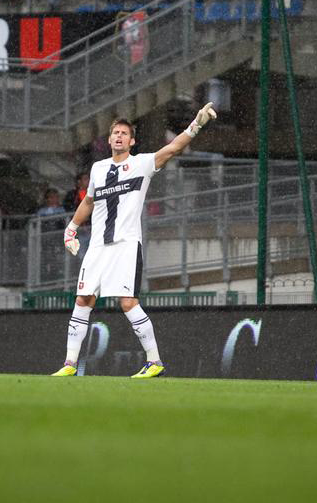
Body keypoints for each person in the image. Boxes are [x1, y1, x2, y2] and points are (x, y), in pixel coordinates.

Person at [51, 102, 217, 378]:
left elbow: (172, 149)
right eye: (115, 132)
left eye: (124, 133)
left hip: (126, 245)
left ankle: (154, 361)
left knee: (127, 302)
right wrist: (71, 228)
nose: (118, 136)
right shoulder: (98, 169)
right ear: (109, 139)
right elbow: (89, 202)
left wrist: (195, 125)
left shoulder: (141, 164)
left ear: (132, 140)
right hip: (97, 247)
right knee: (83, 299)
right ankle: (69, 363)